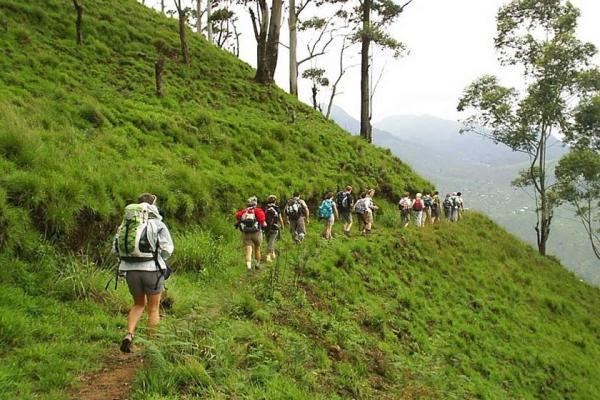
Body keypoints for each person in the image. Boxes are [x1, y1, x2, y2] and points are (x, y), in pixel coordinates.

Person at [114, 193, 174, 353]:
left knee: (138, 304)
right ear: (154, 205)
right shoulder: (157, 224)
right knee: (153, 309)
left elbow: (115, 249)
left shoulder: (126, 225)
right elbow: (168, 248)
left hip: (130, 271)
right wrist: (159, 257)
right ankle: (151, 347)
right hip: (152, 271)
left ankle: (129, 334)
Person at [235, 196, 267, 271]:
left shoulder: (244, 211)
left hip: (246, 233)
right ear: (255, 203)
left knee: (248, 249)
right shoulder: (258, 210)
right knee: (257, 248)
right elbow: (262, 220)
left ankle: (249, 266)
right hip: (256, 233)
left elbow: (237, 215)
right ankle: (257, 264)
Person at [263, 195, 285, 262]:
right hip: (274, 227)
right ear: (275, 201)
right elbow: (280, 218)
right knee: (271, 242)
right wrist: (282, 226)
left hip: (266, 227)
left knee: (269, 241)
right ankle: (268, 256)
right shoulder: (277, 208)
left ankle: (273, 254)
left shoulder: (265, 208)